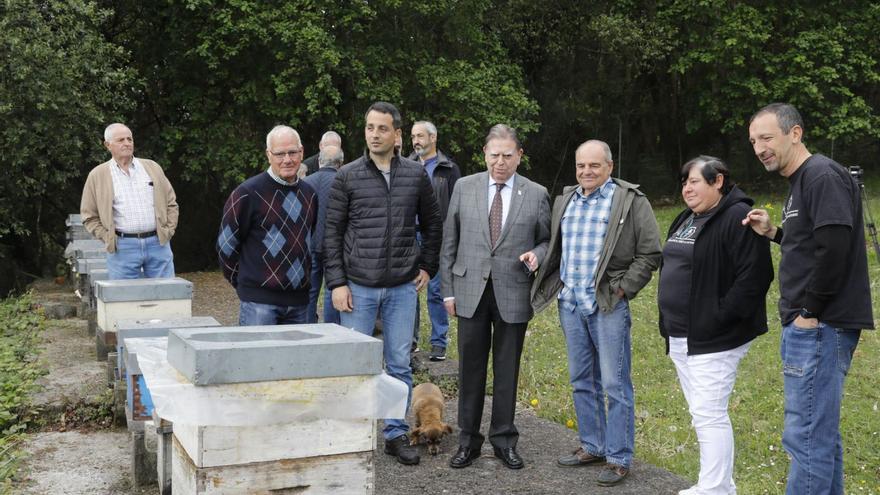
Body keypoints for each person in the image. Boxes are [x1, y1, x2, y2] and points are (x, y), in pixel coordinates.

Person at [743, 103, 873, 495]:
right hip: (815, 325)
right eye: (753, 141)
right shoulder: (802, 182)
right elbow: (814, 243)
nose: (759, 148)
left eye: (766, 137)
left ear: (794, 133)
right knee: (819, 436)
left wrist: (809, 313)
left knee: (806, 439)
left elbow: (835, 250)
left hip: (819, 325)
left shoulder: (820, 175)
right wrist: (775, 234)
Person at [531, 139, 661, 486]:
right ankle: (592, 445)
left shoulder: (630, 201)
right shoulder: (566, 200)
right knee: (581, 381)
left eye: (594, 166)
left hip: (607, 305)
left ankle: (619, 456)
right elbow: (557, 249)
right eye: (581, 166)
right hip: (571, 304)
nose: (587, 172)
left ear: (610, 167)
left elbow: (650, 253)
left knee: (615, 385)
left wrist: (622, 289)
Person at [324, 102, 442, 466]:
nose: (374, 134)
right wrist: (337, 283)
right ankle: (351, 434)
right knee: (356, 364)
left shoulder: (415, 175)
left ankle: (394, 434)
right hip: (357, 286)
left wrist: (427, 266)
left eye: (382, 128)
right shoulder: (348, 175)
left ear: (397, 135)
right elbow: (332, 232)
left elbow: (434, 223)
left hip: (402, 289)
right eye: (369, 127)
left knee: (399, 365)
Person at [659, 156, 773, 495]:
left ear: (718, 181)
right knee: (701, 412)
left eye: (694, 181)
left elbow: (755, 277)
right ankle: (720, 484)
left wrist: (718, 317)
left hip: (716, 336)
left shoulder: (738, 218)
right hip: (681, 334)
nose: (687, 188)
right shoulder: (687, 218)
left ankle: (713, 490)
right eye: (684, 183)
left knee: (709, 413)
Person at [441, 124, 550, 470]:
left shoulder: (536, 193)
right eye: (494, 155)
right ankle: (468, 442)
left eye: (507, 155)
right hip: (469, 291)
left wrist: (538, 254)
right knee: (469, 369)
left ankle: (504, 440)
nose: (499, 162)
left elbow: (547, 240)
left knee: (507, 369)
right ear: (484, 155)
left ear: (519, 156)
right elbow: (449, 243)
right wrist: (447, 292)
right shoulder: (464, 187)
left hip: (513, 292)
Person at [217, 125, 318, 325]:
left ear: (302, 152)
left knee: (298, 358)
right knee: (256, 357)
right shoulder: (247, 193)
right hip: (259, 304)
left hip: (300, 303)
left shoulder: (310, 194)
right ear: (268, 155)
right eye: (280, 154)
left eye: (292, 152)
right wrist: (246, 285)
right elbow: (226, 246)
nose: (287, 159)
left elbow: (307, 241)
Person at [80, 123, 179, 279]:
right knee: (124, 299)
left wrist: (168, 230)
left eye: (129, 139)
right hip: (122, 247)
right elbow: (88, 215)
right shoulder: (97, 175)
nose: (127, 143)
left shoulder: (152, 167)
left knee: (164, 296)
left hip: (158, 243)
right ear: (108, 145)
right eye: (121, 140)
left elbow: (171, 202)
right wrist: (108, 237)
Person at [409, 120, 462, 361]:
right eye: (413, 137)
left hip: (437, 234)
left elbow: (455, 206)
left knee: (436, 289)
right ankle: (409, 340)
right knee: (409, 289)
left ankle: (439, 343)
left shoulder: (448, 169)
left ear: (433, 138)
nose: (416, 141)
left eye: (420, 136)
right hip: (409, 234)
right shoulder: (405, 166)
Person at [303, 145, 344, 324]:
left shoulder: (305, 182)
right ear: (341, 163)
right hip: (334, 246)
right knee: (332, 287)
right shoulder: (343, 182)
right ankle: (332, 328)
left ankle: (308, 327)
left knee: (310, 290)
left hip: (310, 243)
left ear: (319, 162)